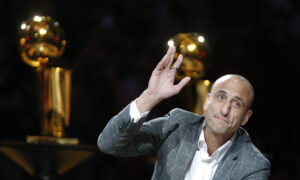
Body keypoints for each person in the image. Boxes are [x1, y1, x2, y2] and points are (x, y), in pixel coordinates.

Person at [98, 46, 270, 180]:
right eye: (220, 97)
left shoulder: (253, 165)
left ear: (246, 117)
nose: (225, 110)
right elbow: (109, 143)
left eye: (236, 103)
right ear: (206, 101)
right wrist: (150, 97)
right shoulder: (177, 124)